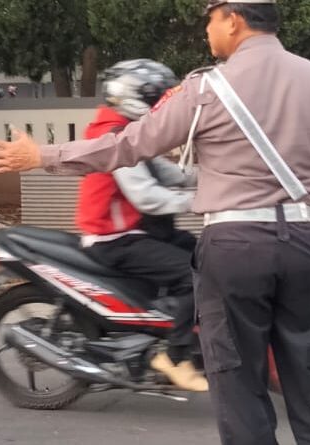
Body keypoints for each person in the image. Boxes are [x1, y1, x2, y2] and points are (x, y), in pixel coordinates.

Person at [0, 1, 310, 444]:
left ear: (233, 19)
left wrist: (44, 155)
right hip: (307, 244)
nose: (206, 29)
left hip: (235, 247)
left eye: (210, 18)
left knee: (240, 386)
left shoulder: (205, 88)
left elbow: (127, 146)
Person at [77, 59, 206, 391]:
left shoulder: (130, 132)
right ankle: (175, 357)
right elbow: (147, 197)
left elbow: (173, 175)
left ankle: (189, 331)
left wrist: (225, 178)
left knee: (213, 254)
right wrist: (201, 202)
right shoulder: (114, 137)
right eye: (157, 98)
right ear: (135, 97)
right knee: (197, 275)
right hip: (115, 240)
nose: (163, 105)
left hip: (136, 233)